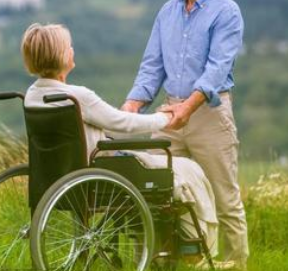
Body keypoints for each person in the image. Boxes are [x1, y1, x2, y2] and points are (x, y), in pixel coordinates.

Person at [21, 22, 218, 257]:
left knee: (170, 168)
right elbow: (123, 124)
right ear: (61, 56)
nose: (72, 50)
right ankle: (195, 249)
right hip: (100, 172)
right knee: (187, 169)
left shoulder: (32, 95)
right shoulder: (78, 96)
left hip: (57, 175)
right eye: (69, 47)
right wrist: (164, 119)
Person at [122, 0, 248, 269]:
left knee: (224, 199)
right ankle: (166, 263)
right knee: (158, 195)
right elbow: (152, 67)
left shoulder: (227, 13)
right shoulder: (167, 12)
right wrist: (133, 105)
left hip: (209, 115)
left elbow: (216, 70)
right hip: (169, 116)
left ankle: (234, 264)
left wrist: (186, 109)